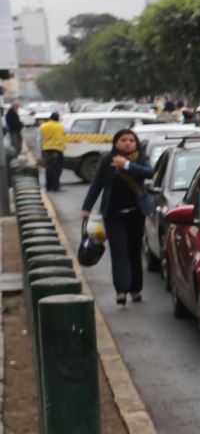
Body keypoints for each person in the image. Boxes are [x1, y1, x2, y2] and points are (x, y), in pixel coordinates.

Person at [79, 129, 155, 306]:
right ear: (116, 142)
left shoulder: (140, 159)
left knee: (134, 252)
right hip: (113, 215)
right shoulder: (107, 160)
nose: (128, 143)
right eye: (123, 140)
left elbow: (150, 173)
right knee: (119, 251)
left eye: (131, 140)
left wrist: (126, 165)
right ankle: (121, 290)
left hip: (136, 213)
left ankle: (136, 289)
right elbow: (97, 184)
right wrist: (86, 208)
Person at [39, 110, 66, 191]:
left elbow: (39, 140)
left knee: (48, 169)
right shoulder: (60, 126)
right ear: (58, 119)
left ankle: (48, 186)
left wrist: (41, 151)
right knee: (57, 169)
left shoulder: (42, 126)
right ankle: (55, 187)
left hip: (46, 150)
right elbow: (65, 136)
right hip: (58, 150)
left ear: (50, 118)